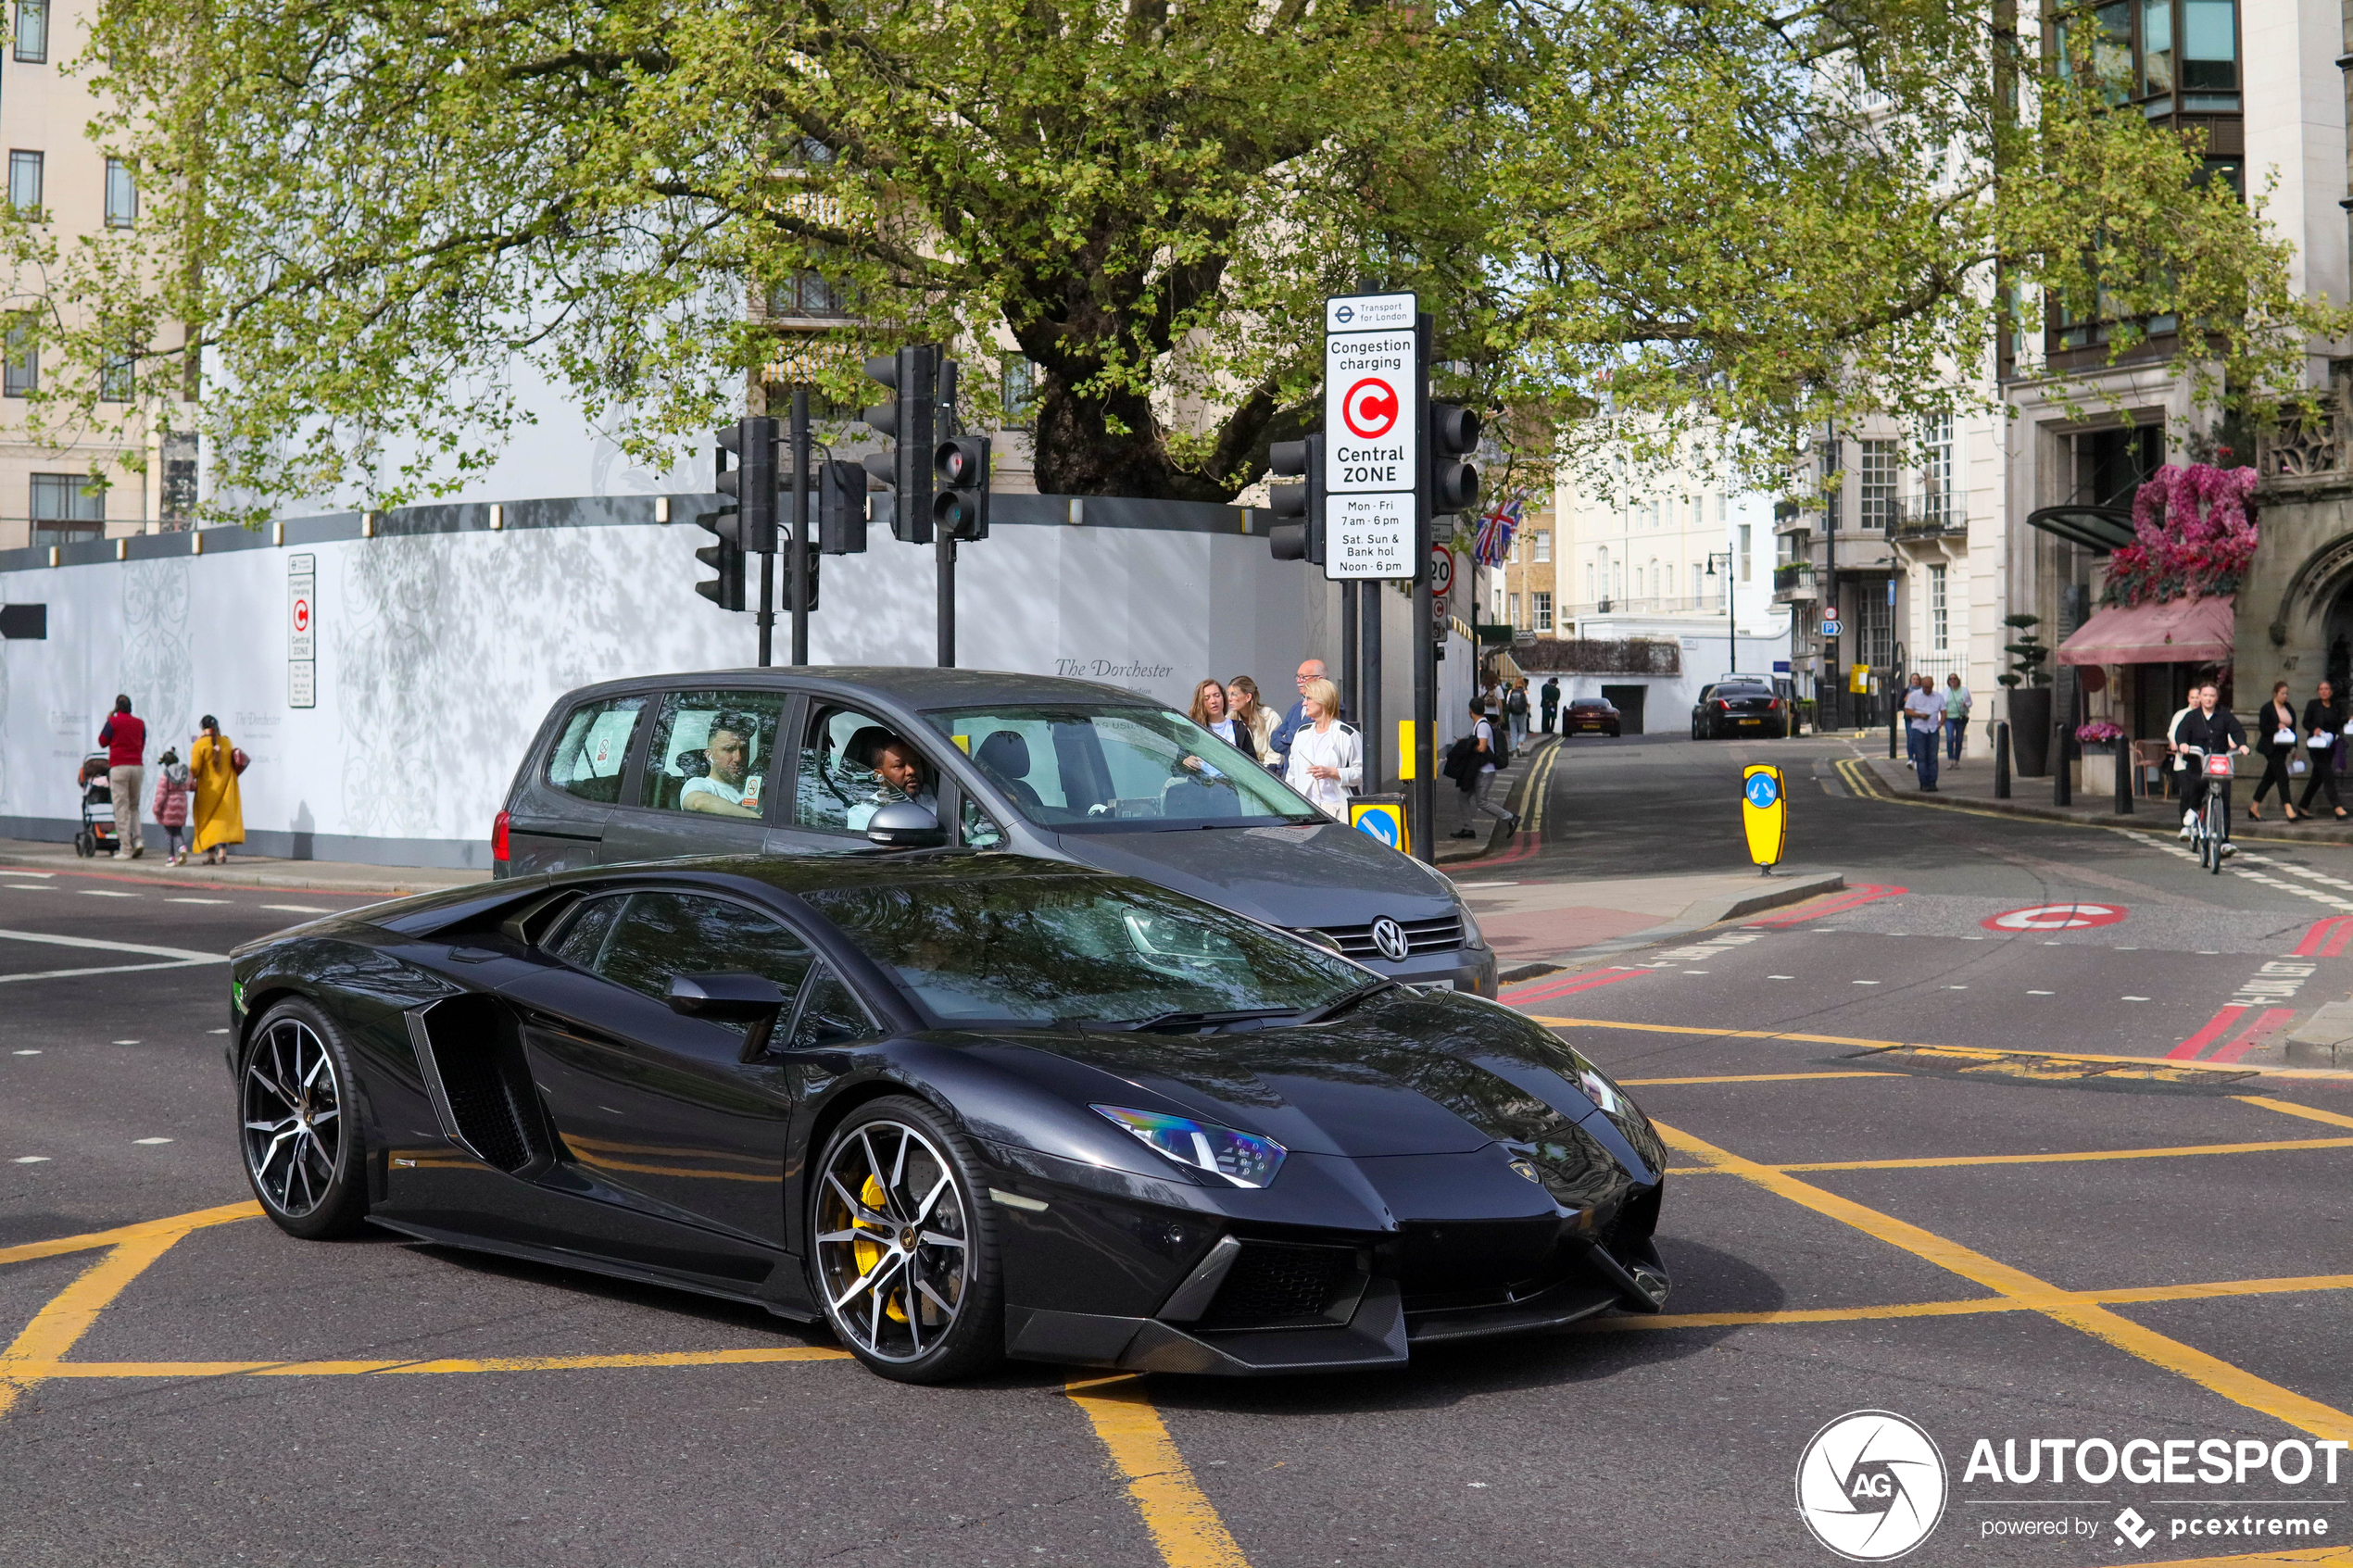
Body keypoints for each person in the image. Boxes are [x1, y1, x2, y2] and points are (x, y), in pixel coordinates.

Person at [2173, 682, 2249, 853]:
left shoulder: (2224, 715)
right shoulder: (2191, 717)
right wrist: (2183, 744)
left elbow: (2237, 730)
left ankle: (2224, 841)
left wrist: (2242, 745)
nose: (2208, 699)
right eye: (2205, 695)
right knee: (2198, 784)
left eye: (2212, 695)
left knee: (2225, 798)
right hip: (2197, 762)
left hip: (2220, 763)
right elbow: (2181, 733)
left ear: (2217, 697)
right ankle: (2193, 811)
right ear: (2200, 697)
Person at [1281, 677, 1361, 820]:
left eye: (1309, 698)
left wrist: (1334, 772)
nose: (1304, 703)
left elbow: (1362, 773)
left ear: (1323, 700)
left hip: (1338, 811)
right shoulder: (1301, 734)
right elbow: (1291, 775)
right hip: (1306, 812)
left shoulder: (1346, 734)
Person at [1447, 696, 1516, 839]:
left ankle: (1510, 818)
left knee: (1482, 802)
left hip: (1485, 771)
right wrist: (1467, 742)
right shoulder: (1480, 725)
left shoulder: (1482, 726)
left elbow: (1482, 747)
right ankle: (1468, 829)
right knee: (1463, 797)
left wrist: (1468, 745)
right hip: (1479, 770)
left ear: (1470, 711)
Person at [847, 734, 938, 831]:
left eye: (915, 763)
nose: (911, 771)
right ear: (879, 776)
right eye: (899, 766)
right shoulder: (864, 815)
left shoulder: (930, 803)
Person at [682, 713, 763, 817]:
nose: (738, 758)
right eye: (728, 750)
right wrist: (755, 818)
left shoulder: (755, 786)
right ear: (709, 756)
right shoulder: (701, 785)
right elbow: (698, 803)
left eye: (743, 749)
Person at [189, 715, 245, 865]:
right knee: (223, 823)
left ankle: (210, 855)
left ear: (202, 728)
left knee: (208, 823)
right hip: (227, 789)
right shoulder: (227, 742)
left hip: (208, 791)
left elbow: (194, 770)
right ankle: (223, 852)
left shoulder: (200, 745)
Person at [96, 694, 146, 859]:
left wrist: (108, 720)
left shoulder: (113, 722)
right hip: (137, 766)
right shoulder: (140, 723)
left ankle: (125, 848)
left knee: (121, 808)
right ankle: (138, 840)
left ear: (117, 707)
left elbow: (103, 741)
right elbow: (142, 744)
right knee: (134, 806)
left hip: (119, 767)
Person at [2248, 681, 2303, 822]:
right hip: (2271, 748)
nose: (2285, 696)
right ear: (2275, 693)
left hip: (2284, 748)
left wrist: (2294, 748)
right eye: (2282, 693)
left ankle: (2254, 807)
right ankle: (2288, 808)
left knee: (2268, 779)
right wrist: (2276, 726)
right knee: (2282, 777)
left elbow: (2294, 729)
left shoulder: (2289, 708)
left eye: (2287, 693)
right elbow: (2263, 728)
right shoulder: (2267, 708)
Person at [1265, 658, 1329, 770]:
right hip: (1291, 777)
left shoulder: (1331, 707)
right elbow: (1274, 740)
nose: (1298, 681)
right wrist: (1292, 740)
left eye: (1303, 677)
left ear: (1319, 679)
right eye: (1298, 677)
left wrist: (1287, 736)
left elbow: (1312, 740)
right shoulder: (1296, 708)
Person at [2301, 679, 2347, 821]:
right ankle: (2337, 807)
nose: (2323, 691)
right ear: (2318, 691)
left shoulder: (2335, 706)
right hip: (2316, 746)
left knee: (2316, 778)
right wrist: (2314, 729)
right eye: (2321, 689)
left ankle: (2303, 806)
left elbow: (2340, 722)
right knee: (2328, 775)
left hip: (2329, 746)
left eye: (2326, 689)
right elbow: (2305, 722)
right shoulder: (2313, 704)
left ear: (2331, 692)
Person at [1903, 673, 1944, 792]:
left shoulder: (1938, 696)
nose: (1927, 689)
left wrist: (1941, 723)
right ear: (1922, 685)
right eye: (1925, 687)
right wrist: (1919, 715)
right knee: (1921, 757)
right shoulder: (1914, 696)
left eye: (1929, 687)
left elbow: (1944, 711)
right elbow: (1908, 711)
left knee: (1933, 757)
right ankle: (1924, 783)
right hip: (1919, 728)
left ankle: (1932, 782)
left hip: (1933, 729)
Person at [151, 748, 193, 865]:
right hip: (182, 803)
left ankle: (171, 857)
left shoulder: (166, 774)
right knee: (178, 831)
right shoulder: (185, 771)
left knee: (169, 832)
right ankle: (182, 847)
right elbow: (191, 785)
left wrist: (157, 808)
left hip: (169, 805)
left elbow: (161, 793)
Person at [1227, 676, 1277, 763]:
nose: (1229, 699)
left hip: (1266, 772)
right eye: (1229, 694)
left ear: (1248, 697)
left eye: (1234, 694)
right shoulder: (1229, 718)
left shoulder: (1270, 717)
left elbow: (1274, 757)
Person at [1189, 679, 1248, 754]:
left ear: (1223, 697)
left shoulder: (1240, 729)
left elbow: (1253, 763)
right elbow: (1180, 759)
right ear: (1200, 703)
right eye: (1206, 698)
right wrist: (1186, 761)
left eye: (1217, 695)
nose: (1213, 701)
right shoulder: (1195, 730)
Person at [1944, 672, 1971, 764]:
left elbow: (1970, 703)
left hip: (1960, 717)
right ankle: (1950, 758)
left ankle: (1957, 760)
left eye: (1954, 679)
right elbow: (1942, 704)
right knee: (1950, 738)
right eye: (1950, 679)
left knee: (1959, 739)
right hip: (1949, 718)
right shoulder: (1945, 691)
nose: (1953, 681)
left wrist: (1965, 704)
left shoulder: (1964, 690)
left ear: (1958, 680)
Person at [1505, 680, 1531, 749]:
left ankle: (1514, 751)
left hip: (1512, 714)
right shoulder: (1525, 692)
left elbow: (1507, 703)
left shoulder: (1510, 692)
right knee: (1522, 732)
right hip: (1522, 714)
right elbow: (1529, 704)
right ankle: (1519, 745)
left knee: (1513, 733)